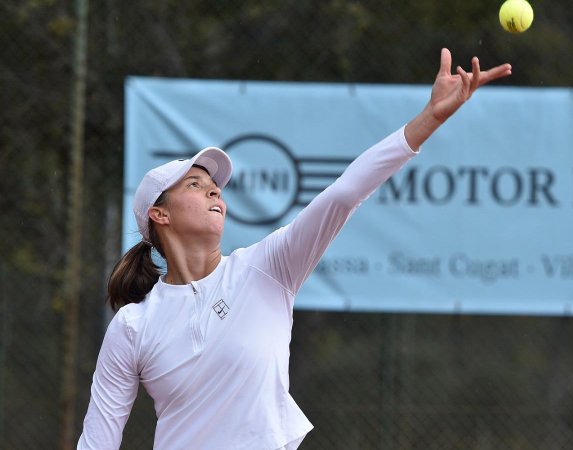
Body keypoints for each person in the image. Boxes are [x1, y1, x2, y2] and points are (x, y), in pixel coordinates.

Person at [77, 48, 512, 450]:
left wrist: (429, 119)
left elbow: (343, 195)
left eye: (215, 188)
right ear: (160, 215)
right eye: (196, 185)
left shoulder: (266, 268)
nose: (214, 194)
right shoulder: (134, 326)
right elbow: (97, 441)